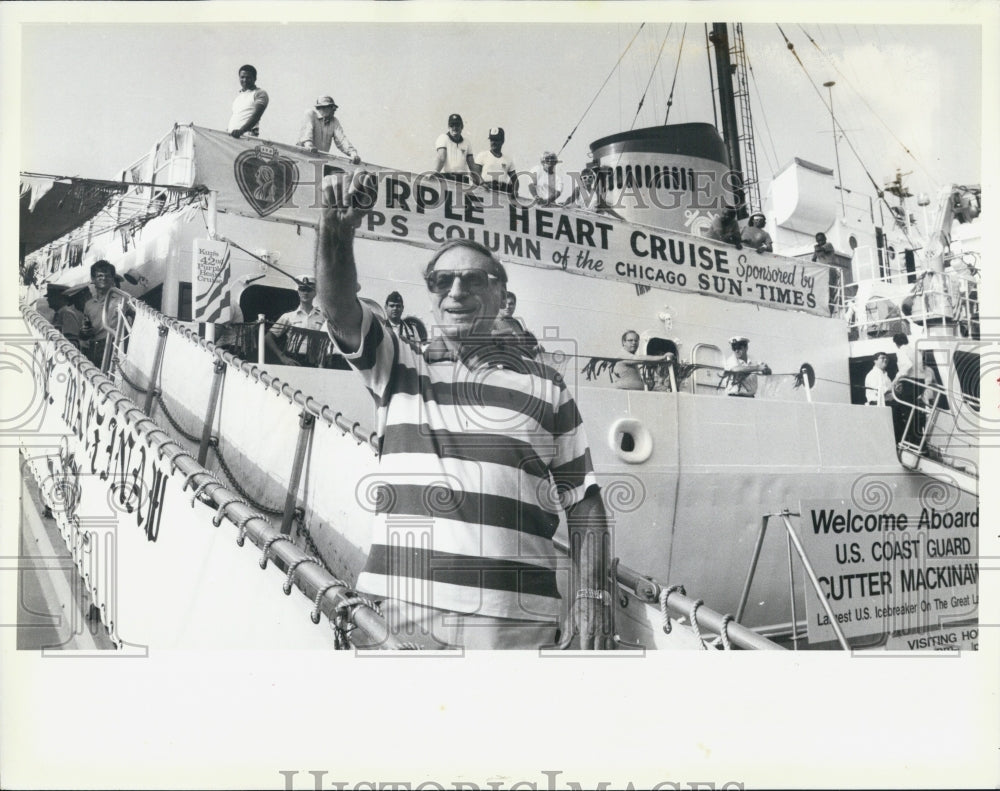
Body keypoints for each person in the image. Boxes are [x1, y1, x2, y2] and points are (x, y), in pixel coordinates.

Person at [315, 184, 612, 650]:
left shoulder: (548, 385)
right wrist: (335, 234)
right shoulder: (398, 365)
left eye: (474, 280)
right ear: (430, 295)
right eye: (442, 281)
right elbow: (339, 308)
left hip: (515, 620)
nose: (457, 292)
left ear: (500, 295)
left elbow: (584, 500)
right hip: (400, 608)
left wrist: (593, 594)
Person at [265, 277, 327, 366]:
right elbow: (268, 338)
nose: (305, 293)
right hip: (294, 360)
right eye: (302, 289)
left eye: (309, 290)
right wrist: (282, 357)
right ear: (298, 292)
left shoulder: (323, 317)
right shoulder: (288, 317)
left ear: (315, 293)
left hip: (316, 361)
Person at [81, 260, 124, 368]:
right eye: (99, 276)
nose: (103, 278)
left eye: (107, 276)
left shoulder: (122, 300)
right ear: (93, 279)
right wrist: (85, 332)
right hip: (93, 348)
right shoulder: (88, 305)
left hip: (113, 346)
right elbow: (86, 331)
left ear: (112, 279)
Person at [297, 96, 361, 163]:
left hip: (320, 160)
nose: (334, 110)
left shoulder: (334, 121)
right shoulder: (310, 114)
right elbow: (307, 134)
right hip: (303, 158)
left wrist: (353, 153)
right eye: (331, 107)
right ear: (323, 108)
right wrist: (309, 144)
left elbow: (342, 140)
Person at [434, 113, 479, 183]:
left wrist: (481, 182)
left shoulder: (467, 142)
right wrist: (434, 173)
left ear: (462, 126)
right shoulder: (443, 138)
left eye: (457, 125)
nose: (454, 128)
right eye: (452, 125)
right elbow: (441, 157)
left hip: (462, 179)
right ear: (448, 127)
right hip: (447, 177)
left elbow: (472, 165)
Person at [227, 64, 269, 139]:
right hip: (233, 137)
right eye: (242, 77)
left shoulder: (259, 93)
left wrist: (241, 131)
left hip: (246, 137)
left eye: (248, 77)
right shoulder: (238, 97)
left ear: (255, 78)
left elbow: (256, 116)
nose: (245, 80)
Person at [891, 332, 918, 443]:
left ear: (896, 343)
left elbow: (907, 365)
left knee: (907, 412)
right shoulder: (912, 350)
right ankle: (916, 439)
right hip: (917, 382)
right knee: (914, 412)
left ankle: (912, 440)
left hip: (909, 383)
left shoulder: (901, 351)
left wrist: (896, 379)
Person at [474, 127, 517, 196]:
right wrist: (482, 183)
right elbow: (474, 173)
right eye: (492, 140)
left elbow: (515, 179)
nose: (493, 142)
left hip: (502, 193)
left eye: (496, 140)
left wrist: (515, 190)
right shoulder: (482, 155)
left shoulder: (508, 159)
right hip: (486, 191)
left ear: (502, 141)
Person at [812, 232, 841, 315]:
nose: (820, 241)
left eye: (821, 240)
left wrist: (816, 248)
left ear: (825, 239)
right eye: (818, 240)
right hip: (823, 271)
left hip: (830, 270)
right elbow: (813, 259)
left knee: (831, 291)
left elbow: (820, 250)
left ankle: (831, 311)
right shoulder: (818, 248)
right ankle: (826, 311)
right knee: (824, 292)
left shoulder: (829, 245)